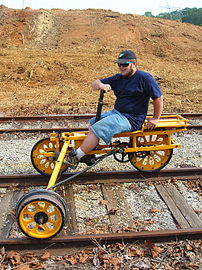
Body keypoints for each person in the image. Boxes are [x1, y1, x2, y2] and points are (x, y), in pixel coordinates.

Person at [65, 50, 163, 168]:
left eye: (125, 64)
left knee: (98, 128)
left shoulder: (145, 78)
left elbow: (158, 98)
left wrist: (155, 118)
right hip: (117, 113)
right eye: (119, 64)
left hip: (132, 119)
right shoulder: (118, 78)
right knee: (93, 122)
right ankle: (87, 153)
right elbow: (95, 83)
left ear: (134, 63)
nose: (121, 67)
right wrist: (101, 86)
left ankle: (75, 157)